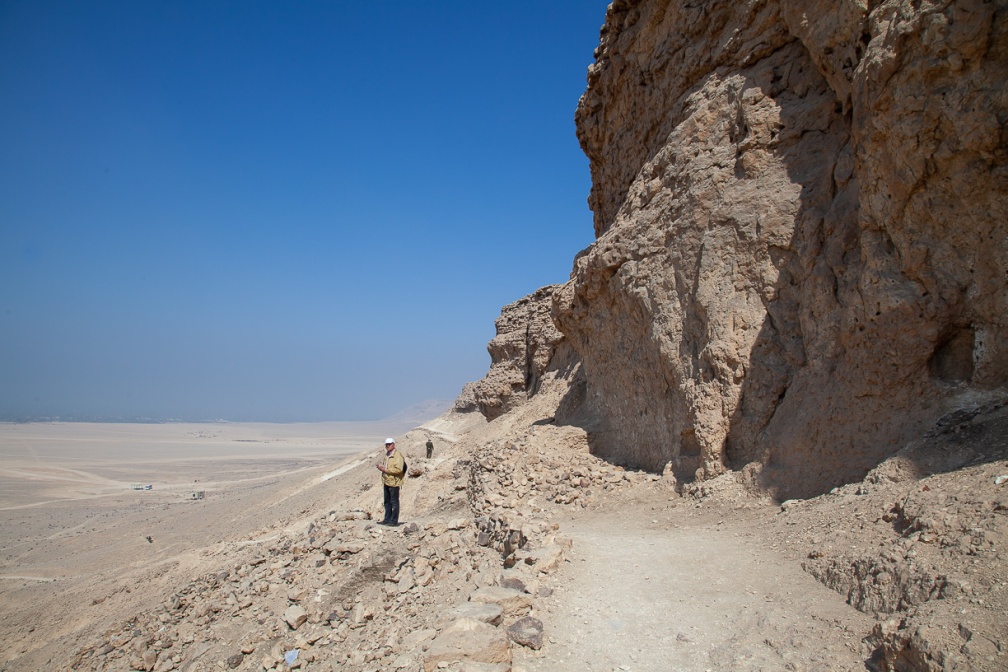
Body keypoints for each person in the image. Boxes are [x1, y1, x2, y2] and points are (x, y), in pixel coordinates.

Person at [376, 437, 404, 525]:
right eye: (386, 444)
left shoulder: (397, 456)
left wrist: (385, 470)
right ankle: (387, 519)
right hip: (387, 481)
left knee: (394, 502)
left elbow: (398, 469)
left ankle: (394, 521)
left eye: (389, 444)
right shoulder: (387, 455)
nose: (387, 446)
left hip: (394, 482)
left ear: (393, 444)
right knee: (387, 501)